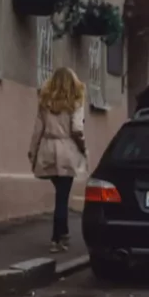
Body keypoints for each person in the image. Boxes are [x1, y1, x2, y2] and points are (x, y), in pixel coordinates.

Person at [28, 67, 88, 253]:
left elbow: (38, 128)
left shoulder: (45, 101)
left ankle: (63, 234)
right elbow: (77, 129)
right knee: (62, 196)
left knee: (60, 194)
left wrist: (33, 150)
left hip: (48, 148)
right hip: (66, 150)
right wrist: (83, 147)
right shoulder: (75, 102)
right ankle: (58, 238)